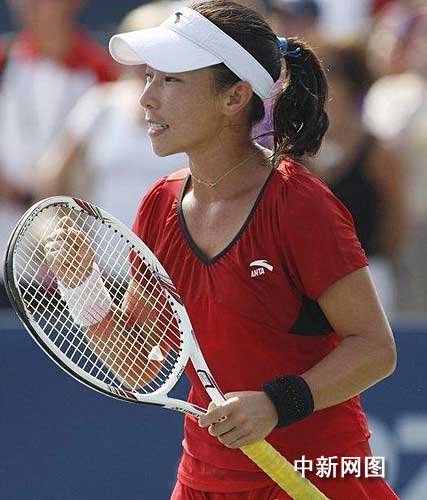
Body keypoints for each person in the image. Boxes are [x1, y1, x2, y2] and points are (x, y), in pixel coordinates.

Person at [48, 1, 398, 498]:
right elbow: (141, 366)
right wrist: (82, 286)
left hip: (316, 476)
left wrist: (277, 403)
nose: (146, 98)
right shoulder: (159, 206)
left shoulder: (300, 205)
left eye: (171, 81)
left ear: (234, 97)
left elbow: (376, 349)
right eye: (149, 77)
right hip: (202, 481)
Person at [0, 0, 118, 307]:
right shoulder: (4, 61)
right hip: (7, 251)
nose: (28, 6)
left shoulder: (103, 71)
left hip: (83, 254)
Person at [34, 0, 187, 228]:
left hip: (166, 248)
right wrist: (68, 232)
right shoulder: (100, 104)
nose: (142, 64)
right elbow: (52, 177)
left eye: (151, 53)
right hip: (101, 248)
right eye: (134, 53)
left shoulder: (192, 111)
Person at [309, 41, 405, 317]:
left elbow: (396, 217)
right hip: (312, 275)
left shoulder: (378, 151)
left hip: (369, 274)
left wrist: (377, 260)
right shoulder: (300, 147)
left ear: (350, 83)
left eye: (329, 73)